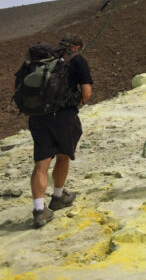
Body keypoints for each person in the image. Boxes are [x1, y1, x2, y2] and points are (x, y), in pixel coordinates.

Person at [25, 34, 93, 228]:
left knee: (41, 162)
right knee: (63, 155)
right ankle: (58, 196)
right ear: (77, 47)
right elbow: (87, 93)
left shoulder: (40, 59)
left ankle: (39, 210)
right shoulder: (78, 60)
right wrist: (75, 105)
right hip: (64, 116)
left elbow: (16, 86)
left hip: (37, 117)